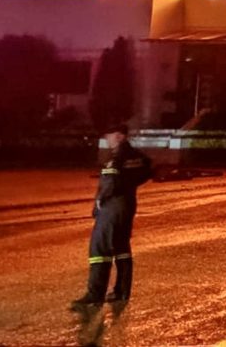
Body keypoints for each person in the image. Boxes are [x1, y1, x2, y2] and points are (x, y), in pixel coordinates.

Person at [70, 123, 152, 312]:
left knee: (100, 249)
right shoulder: (137, 156)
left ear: (120, 136)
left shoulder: (117, 157)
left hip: (112, 206)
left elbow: (109, 181)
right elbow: (148, 169)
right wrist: (129, 184)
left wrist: (100, 200)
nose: (107, 139)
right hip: (128, 204)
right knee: (121, 247)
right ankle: (121, 291)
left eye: (110, 135)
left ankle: (94, 295)